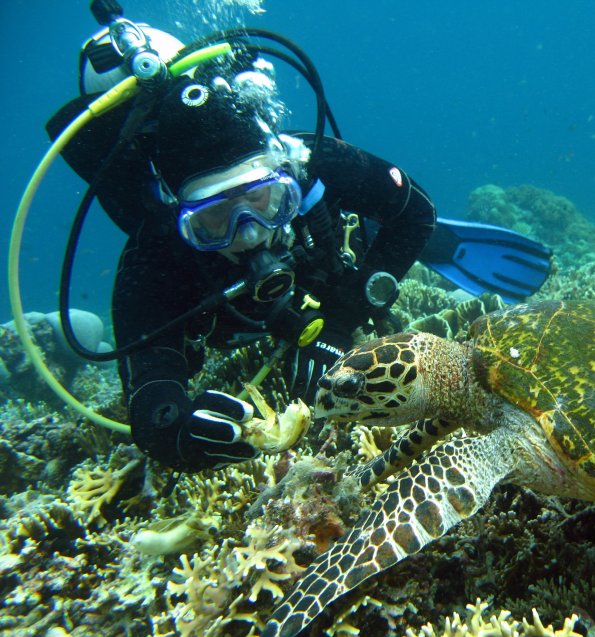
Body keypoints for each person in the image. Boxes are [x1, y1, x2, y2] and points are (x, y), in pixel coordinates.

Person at [47, 33, 436, 473]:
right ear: (182, 218)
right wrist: (176, 436)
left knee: (361, 227)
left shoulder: (308, 160)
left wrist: (344, 318)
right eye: (215, 219)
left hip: (330, 259)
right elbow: (151, 390)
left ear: (284, 172)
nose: (249, 234)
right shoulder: (155, 249)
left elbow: (416, 213)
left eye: (265, 200)